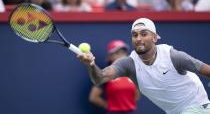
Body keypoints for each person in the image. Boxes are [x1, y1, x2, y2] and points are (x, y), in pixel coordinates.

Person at [78, 17, 210, 114]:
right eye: (135, 35)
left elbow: (206, 70)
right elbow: (99, 78)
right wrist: (91, 64)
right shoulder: (128, 64)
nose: (138, 38)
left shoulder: (174, 56)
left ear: (154, 38)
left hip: (198, 106)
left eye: (143, 34)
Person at [89, 40, 139, 114]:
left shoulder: (132, 71)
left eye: (123, 52)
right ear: (110, 56)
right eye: (117, 53)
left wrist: (127, 105)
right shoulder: (106, 74)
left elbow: (137, 94)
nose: (122, 55)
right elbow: (93, 97)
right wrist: (112, 107)